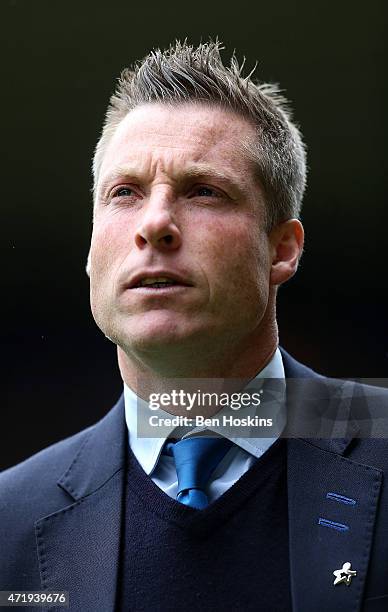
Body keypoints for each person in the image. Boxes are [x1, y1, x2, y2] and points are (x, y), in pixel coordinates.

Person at [1, 40, 388, 612]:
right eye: (124, 193)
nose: (154, 223)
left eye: (203, 191)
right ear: (90, 251)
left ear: (282, 250)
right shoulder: (10, 518)